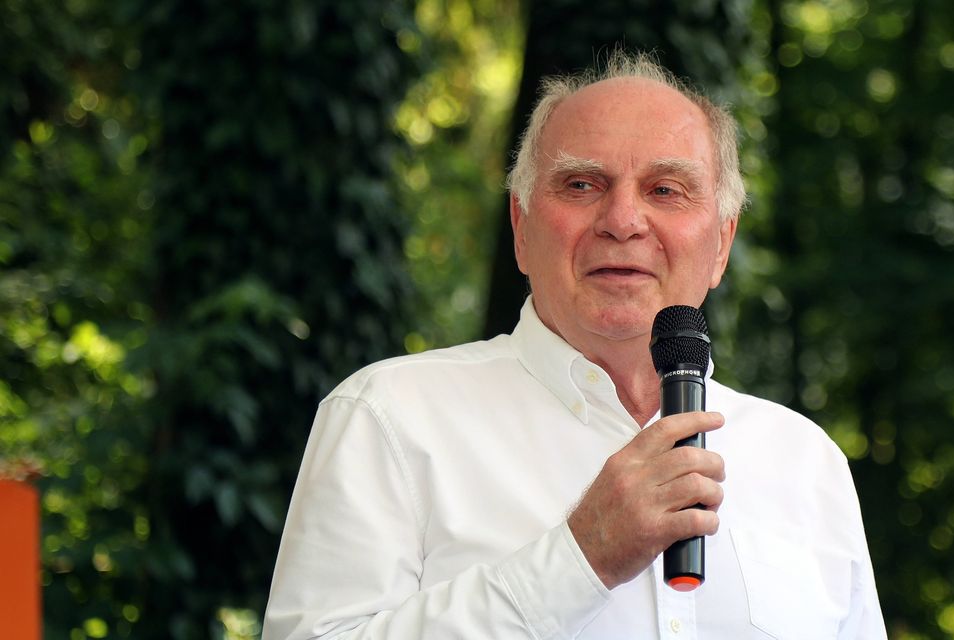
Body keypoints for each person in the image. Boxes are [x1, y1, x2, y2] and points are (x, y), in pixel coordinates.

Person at [263, 51, 886, 639]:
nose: (622, 221)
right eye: (583, 185)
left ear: (722, 243)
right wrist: (577, 559)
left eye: (665, 190)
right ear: (521, 227)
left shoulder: (806, 463)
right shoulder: (390, 417)